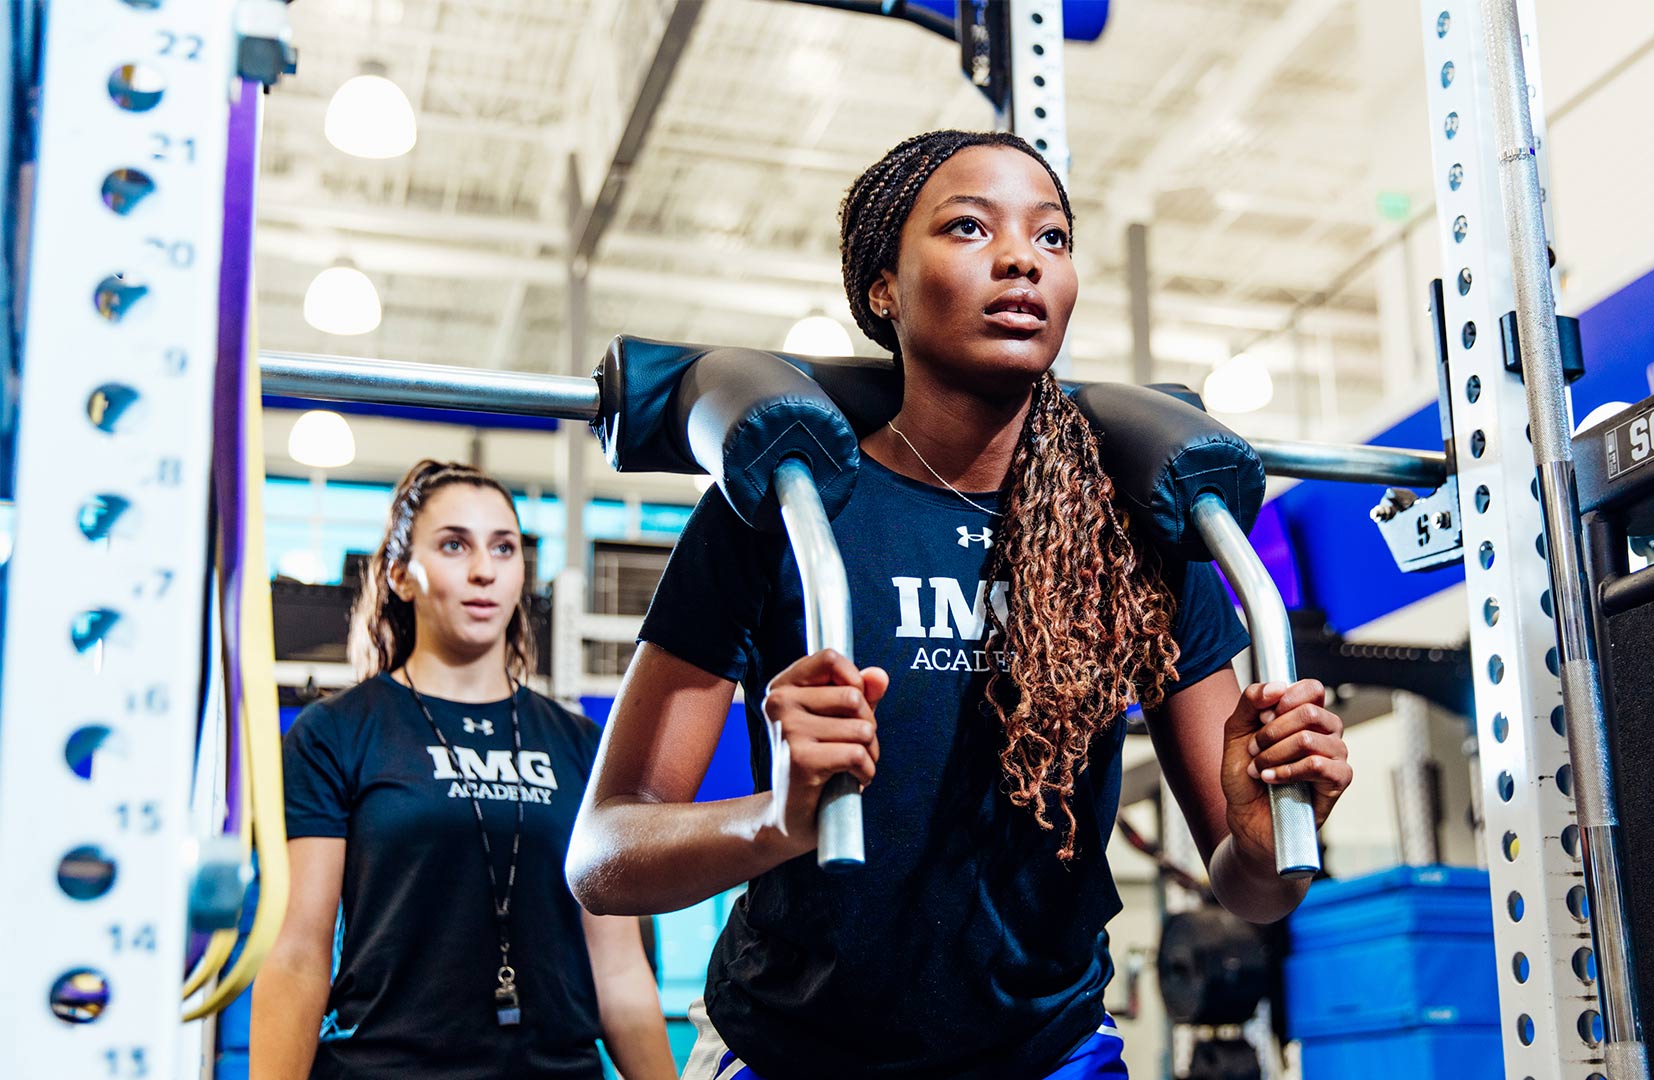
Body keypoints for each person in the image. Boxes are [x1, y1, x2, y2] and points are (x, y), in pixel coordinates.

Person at [566, 130, 1353, 1080]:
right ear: (882, 288)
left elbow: (1253, 891)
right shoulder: (786, 510)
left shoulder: (1134, 531)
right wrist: (775, 820)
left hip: (1048, 1052)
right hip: (792, 1048)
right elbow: (603, 853)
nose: (1022, 257)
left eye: (1052, 237)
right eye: (970, 227)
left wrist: (1268, 845)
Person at [254, 460, 677, 1080]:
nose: (484, 570)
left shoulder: (583, 745)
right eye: (455, 545)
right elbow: (298, 953)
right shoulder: (336, 733)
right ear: (401, 575)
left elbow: (617, 969)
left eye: (504, 548)